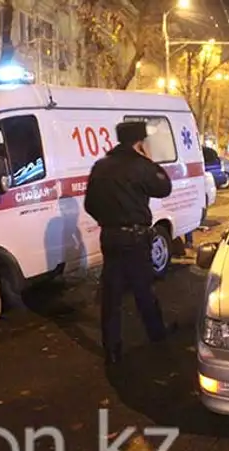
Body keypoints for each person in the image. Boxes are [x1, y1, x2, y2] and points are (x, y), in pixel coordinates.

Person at [84, 121, 174, 365]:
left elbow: (89, 204)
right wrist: (149, 160)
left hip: (110, 236)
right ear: (140, 143)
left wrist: (108, 220)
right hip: (135, 238)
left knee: (111, 294)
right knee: (143, 290)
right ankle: (158, 339)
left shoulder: (101, 166)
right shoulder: (140, 166)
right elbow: (164, 188)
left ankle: (112, 349)